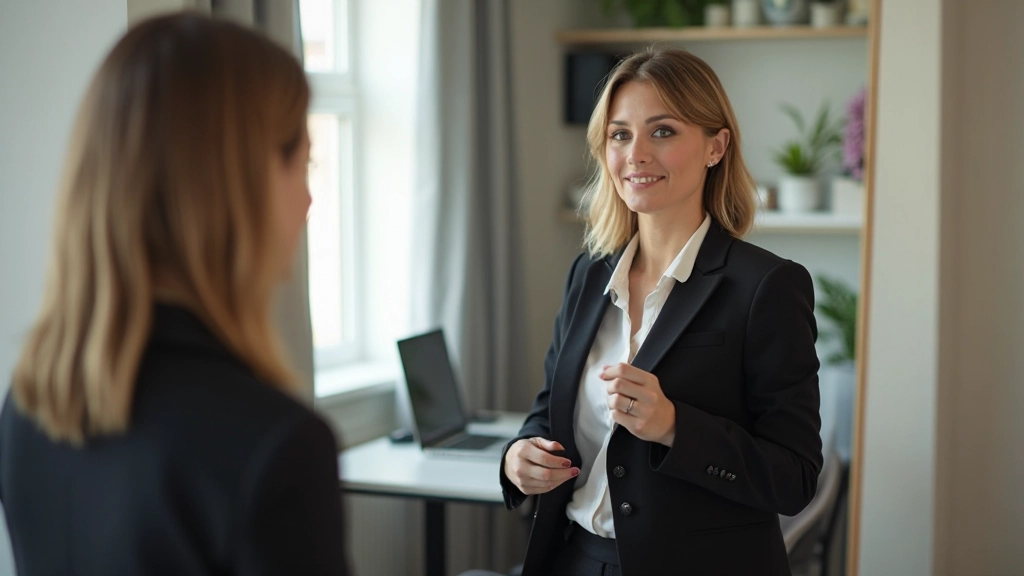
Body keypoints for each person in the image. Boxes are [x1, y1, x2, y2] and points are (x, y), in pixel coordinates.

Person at [0, 14, 350, 576]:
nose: (309, 200)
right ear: (233, 183)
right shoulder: (275, 445)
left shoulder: (29, 404)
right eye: (300, 163)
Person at [499, 49, 823, 576]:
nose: (636, 154)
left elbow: (795, 478)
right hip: (576, 560)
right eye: (620, 135)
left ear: (716, 146)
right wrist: (518, 457)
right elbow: (547, 411)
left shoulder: (767, 287)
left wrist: (675, 427)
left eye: (663, 131)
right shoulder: (588, 274)